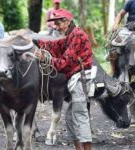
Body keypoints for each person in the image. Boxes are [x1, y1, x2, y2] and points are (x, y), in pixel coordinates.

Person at [33, 9, 93, 150]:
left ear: (67, 22)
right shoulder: (69, 35)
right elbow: (54, 45)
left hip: (80, 80)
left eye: (59, 24)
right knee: (70, 118)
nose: (57, 27)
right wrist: (32, 39)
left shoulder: (77, 35)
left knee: (79, 116)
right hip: (75, 79)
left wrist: (45, 58)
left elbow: (65, 63)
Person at [110, 0, 135, 77]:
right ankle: (113, 70)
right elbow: (121, 14)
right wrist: (116, 24)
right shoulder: (131, 2)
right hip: (128, 30)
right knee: (113, 42)